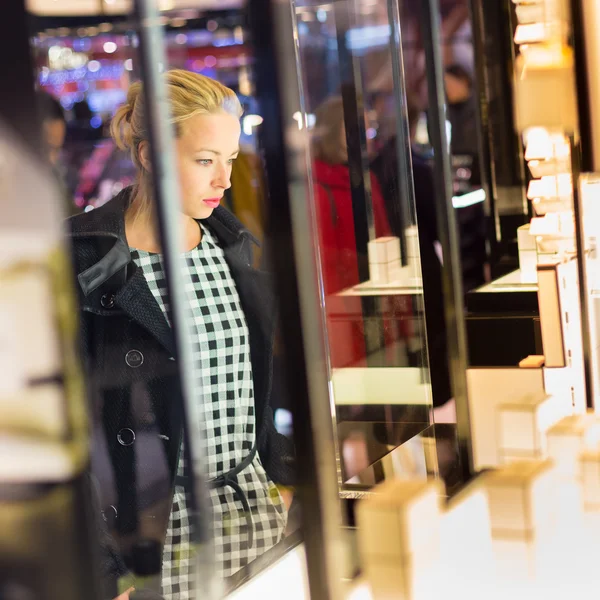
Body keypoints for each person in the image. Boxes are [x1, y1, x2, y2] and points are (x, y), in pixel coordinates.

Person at [66, 69, 294, 599]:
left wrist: (285, 470)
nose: (225, 180)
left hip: (254, 520)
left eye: (230, 159)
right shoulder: (85, 259)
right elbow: (63, 433)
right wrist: (103, 573)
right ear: (149, 156)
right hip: (152, 539)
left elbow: (247, 392)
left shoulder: (232, 246)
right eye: (204, 161)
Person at [311, 96, 392, 369]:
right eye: (354, 129)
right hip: (342, 300)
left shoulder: (366, 177)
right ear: (333, 132)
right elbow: (323, 257)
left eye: (367, 129)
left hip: (375, 291)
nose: (364, 137)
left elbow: (383, 234)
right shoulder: (317, 184)